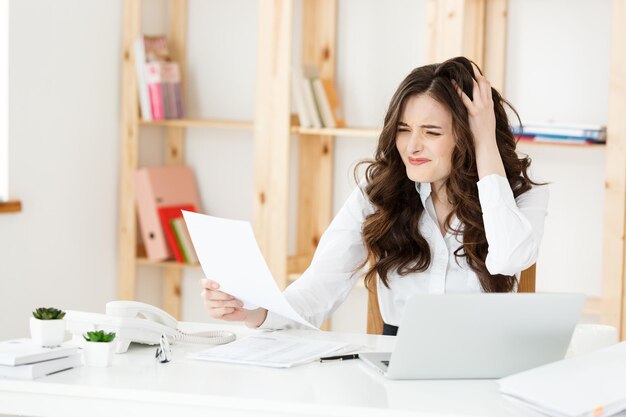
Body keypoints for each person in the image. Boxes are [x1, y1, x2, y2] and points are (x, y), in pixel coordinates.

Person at [199, 56, 549, 335]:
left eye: (431, 131)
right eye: (403, 129)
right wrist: (254, 311)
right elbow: (319, 287)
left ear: (468, 134)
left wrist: (485, 139)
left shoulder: (520, 197)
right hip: (395, 368)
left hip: (485, 370)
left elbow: (508, 259)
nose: (412, 146)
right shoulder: (378, 196)